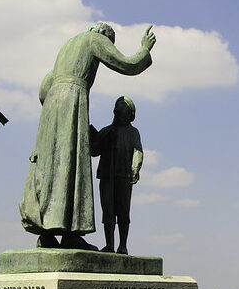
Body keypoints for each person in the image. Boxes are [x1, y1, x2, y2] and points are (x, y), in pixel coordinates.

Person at [19, 23, 155, 250]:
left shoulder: (66, 47)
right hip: (73, 99)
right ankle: (71, 234)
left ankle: (47, 233)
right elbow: (126, 64)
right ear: (105, 36)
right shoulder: (95, 39)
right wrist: (144, 49)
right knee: (72, 164)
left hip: (51, 107)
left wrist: (55, 108)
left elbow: (43, 89)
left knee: (52, 167)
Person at [90, 96, 142, 254]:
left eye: (123, 106)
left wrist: (134, 169)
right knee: (108, 212)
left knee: (123, 212)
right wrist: (94, 134)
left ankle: (122, 245)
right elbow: (94, 151)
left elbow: (137, 151)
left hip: (123, 176)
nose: (119, 109)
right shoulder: (107, 130)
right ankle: (109, 245)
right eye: (118, 107)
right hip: (107, 177)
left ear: (130, 113)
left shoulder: (133, 132)